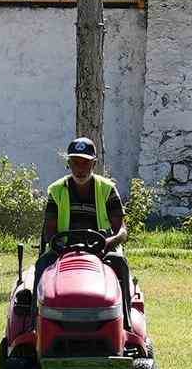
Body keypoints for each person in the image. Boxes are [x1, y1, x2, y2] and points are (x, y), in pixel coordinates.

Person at [37, 136, 132, 320]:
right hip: (63, 250)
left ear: (93, 164)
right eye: (75, 162)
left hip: (102, 249)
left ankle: (125, 320)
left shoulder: (107, 189)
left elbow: (122, 231)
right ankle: (36, 323)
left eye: (85, 163)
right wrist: (57, 244)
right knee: (42, 264)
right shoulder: (55, 191)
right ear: (69, 164)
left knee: (121, 264)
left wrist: (110, 241)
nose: (80, 168)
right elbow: (50, 231)